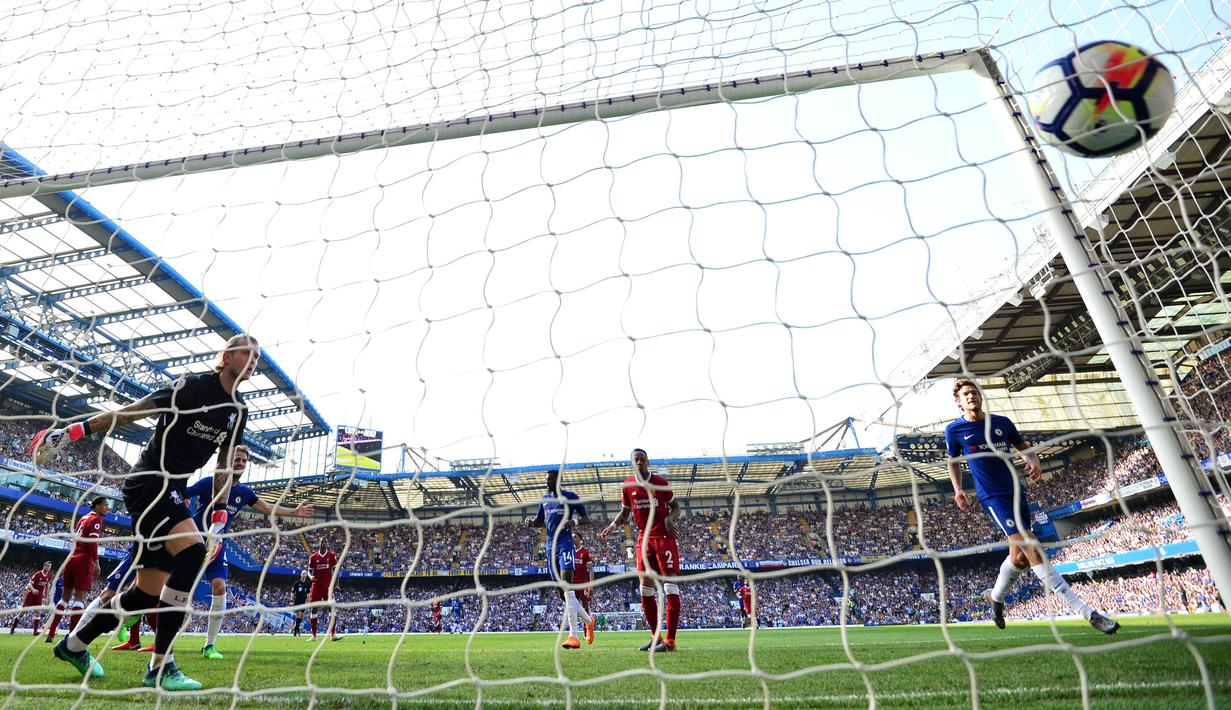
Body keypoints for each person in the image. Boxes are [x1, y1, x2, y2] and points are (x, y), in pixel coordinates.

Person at [37, 333, 259, 689]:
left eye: (257, 358)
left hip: (174, 489)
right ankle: (161, 666)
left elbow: (223, 465)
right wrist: (78, 430)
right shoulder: (192, 387)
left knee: (147, 593)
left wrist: (218, 515)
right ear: (229, 355)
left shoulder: (238, 411)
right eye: (249, 353)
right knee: (193, 554)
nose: (253, 361)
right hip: (148, 481)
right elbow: (137, 410)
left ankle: (73, 645)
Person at [945, 378, 1119, 634]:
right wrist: (958, 489)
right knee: (1030, 544)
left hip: (1017, 490)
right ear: (958, 401)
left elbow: (1026, 449)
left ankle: (995, 597)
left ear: (980, 396)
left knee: (1020, 559)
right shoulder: (954, 430)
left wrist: (1034, 461)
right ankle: (1087, 612)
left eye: (974, 392)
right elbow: (953, 461)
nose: (971, 396)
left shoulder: (1002, 423)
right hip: (993, 497)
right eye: (966, 394)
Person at [185, 444, 313, 660]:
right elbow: (183, 492)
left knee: (220, 586)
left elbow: (267, 508)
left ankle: (209, 645)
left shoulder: (244, 493)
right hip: (193, 542)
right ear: (227, 460)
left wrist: (295, 512)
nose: (240, 463)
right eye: (236, 459)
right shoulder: (210, 483)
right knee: (174, 586)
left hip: (218, 545)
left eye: (244, 460)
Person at [600, 448, 682, 652]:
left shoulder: (661, 483)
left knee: (670, 587)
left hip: (664, 538)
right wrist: (613, 526)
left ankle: (670, 642)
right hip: (643, 540)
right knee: (645, 590)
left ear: (647, 462)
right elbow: (625, 511)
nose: (639, 462)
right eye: (635, 460)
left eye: (642, 459)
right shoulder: (628, 486)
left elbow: (677, 507)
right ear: (631, 463)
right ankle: (656, 637)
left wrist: (671, 518)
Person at [526, 469, 594, 648]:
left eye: (549, 479)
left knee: (567, 587)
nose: (546, 482)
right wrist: (532, 523)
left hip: (565, 544)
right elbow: (541, 521)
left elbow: (587, 518)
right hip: (550, 547)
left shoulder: (570, 496)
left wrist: (574, 523)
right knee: (561, 593)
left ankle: (573, 635)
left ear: (558, 480)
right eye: (546, 479)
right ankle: (588, 621)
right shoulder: (544, 499)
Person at [46, 496, 109, 641]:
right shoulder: (96, 520)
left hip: (71, 558)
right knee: (79, 598)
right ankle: (71, 636)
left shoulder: (83, 518)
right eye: (105, 505)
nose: (107, 508)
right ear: (97, 506)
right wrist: (96, 562)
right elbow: (92, 542)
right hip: (84, 559)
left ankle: (51, 633)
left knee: (64, 598)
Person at [307, 539, 339, 641]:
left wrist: (337, 584)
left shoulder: (331, 555)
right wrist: (310, 576)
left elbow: (336, 570)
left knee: (331, 608)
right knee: (314, 609)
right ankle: (314, 635)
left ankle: (333, 634)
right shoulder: (313, 557)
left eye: (325, 542)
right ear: (319, 544)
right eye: (322, 542)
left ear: (327, 544)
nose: (323, 544)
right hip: (316, 586)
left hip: (327, 587)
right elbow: (309, 571)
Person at [10, 561, 53, 635]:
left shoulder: (48, 576)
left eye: (50, 566)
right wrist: (33, 590)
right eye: (47, 566)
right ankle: (13, 628)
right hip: (31, 596)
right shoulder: (37, 574)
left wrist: (46, 597)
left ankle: (35, 631)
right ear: (44, 566)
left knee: (37, 612)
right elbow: (29, 584)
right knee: (23, 612)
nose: (49, 567)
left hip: (39, 597)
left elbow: (47, 586)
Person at [572, 531, 595, 618]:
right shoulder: (569, 551)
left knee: (586, 606)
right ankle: (573, 631)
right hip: (572, 584)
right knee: (572, 608)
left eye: (575, 537)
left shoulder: (584, 552)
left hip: (583, 583)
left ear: (580, 539)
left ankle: (588, 630)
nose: (573, 539)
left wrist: (591, 585)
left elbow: (590, 570)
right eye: (572, 537)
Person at [291, 570, 312, 637]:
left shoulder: (307, 583)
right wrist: (292, 600)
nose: (304, 575)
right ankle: (296, 630)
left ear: (306, 575)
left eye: (305, 574)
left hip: (303, 602)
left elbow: (309, 593)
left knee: (302, 618)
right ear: (301, 575)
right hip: (297, 601)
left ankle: (295, 627)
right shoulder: (297, 583)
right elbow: (292, 592)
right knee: (299, 615)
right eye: (303, 574)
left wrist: (309, 601)